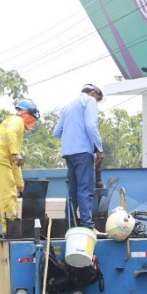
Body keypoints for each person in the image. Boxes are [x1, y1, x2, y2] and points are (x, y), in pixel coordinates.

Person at [0, 99, 38, 238]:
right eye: (33, 119)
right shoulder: (16, 120)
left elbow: (15, 164)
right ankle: (10, 230)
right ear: (27, 113)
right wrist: (15, 153)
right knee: (8, 194)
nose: (33, 123)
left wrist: (20, 185)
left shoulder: (16, 132)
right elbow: (11, 135)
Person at [53, 83, 104, 229]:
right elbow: (90, 125)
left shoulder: (68, 106)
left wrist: (72, 134)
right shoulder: (89, 101)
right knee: (85, 189)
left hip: (69, 153)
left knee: (73, 190)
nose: (97, 102)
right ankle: (87, 225)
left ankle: (70, 222)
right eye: (98, 99)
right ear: (94, 93)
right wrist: (99, 148)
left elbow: (56, 132)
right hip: (83, 152)